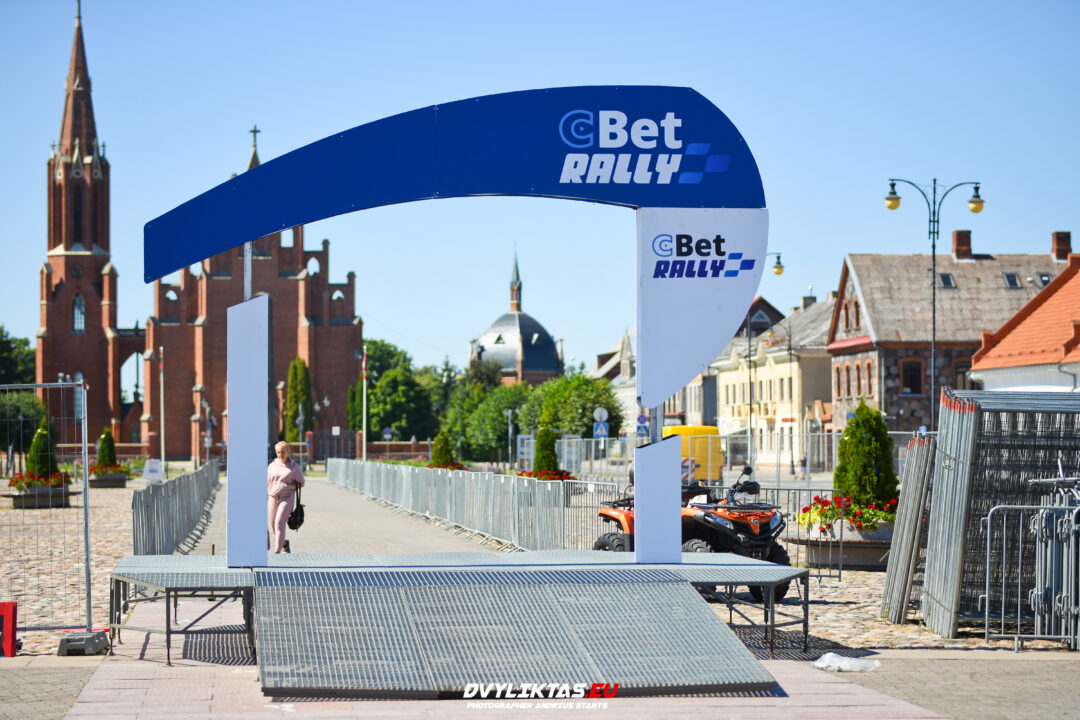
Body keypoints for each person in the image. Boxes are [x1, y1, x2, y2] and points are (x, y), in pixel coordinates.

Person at [267, 440, 305, 553]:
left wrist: (291, 487)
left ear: (288, 452)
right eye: (278, 452)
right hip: (273, 497)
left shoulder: (294, 467)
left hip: (287, 498)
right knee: (273, 524)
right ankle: (284, 543)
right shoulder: (272, 465)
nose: (280, 455)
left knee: (279, 522)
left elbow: (302, 483)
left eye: (283, 452)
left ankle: (277, 550)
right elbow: (267, 482)